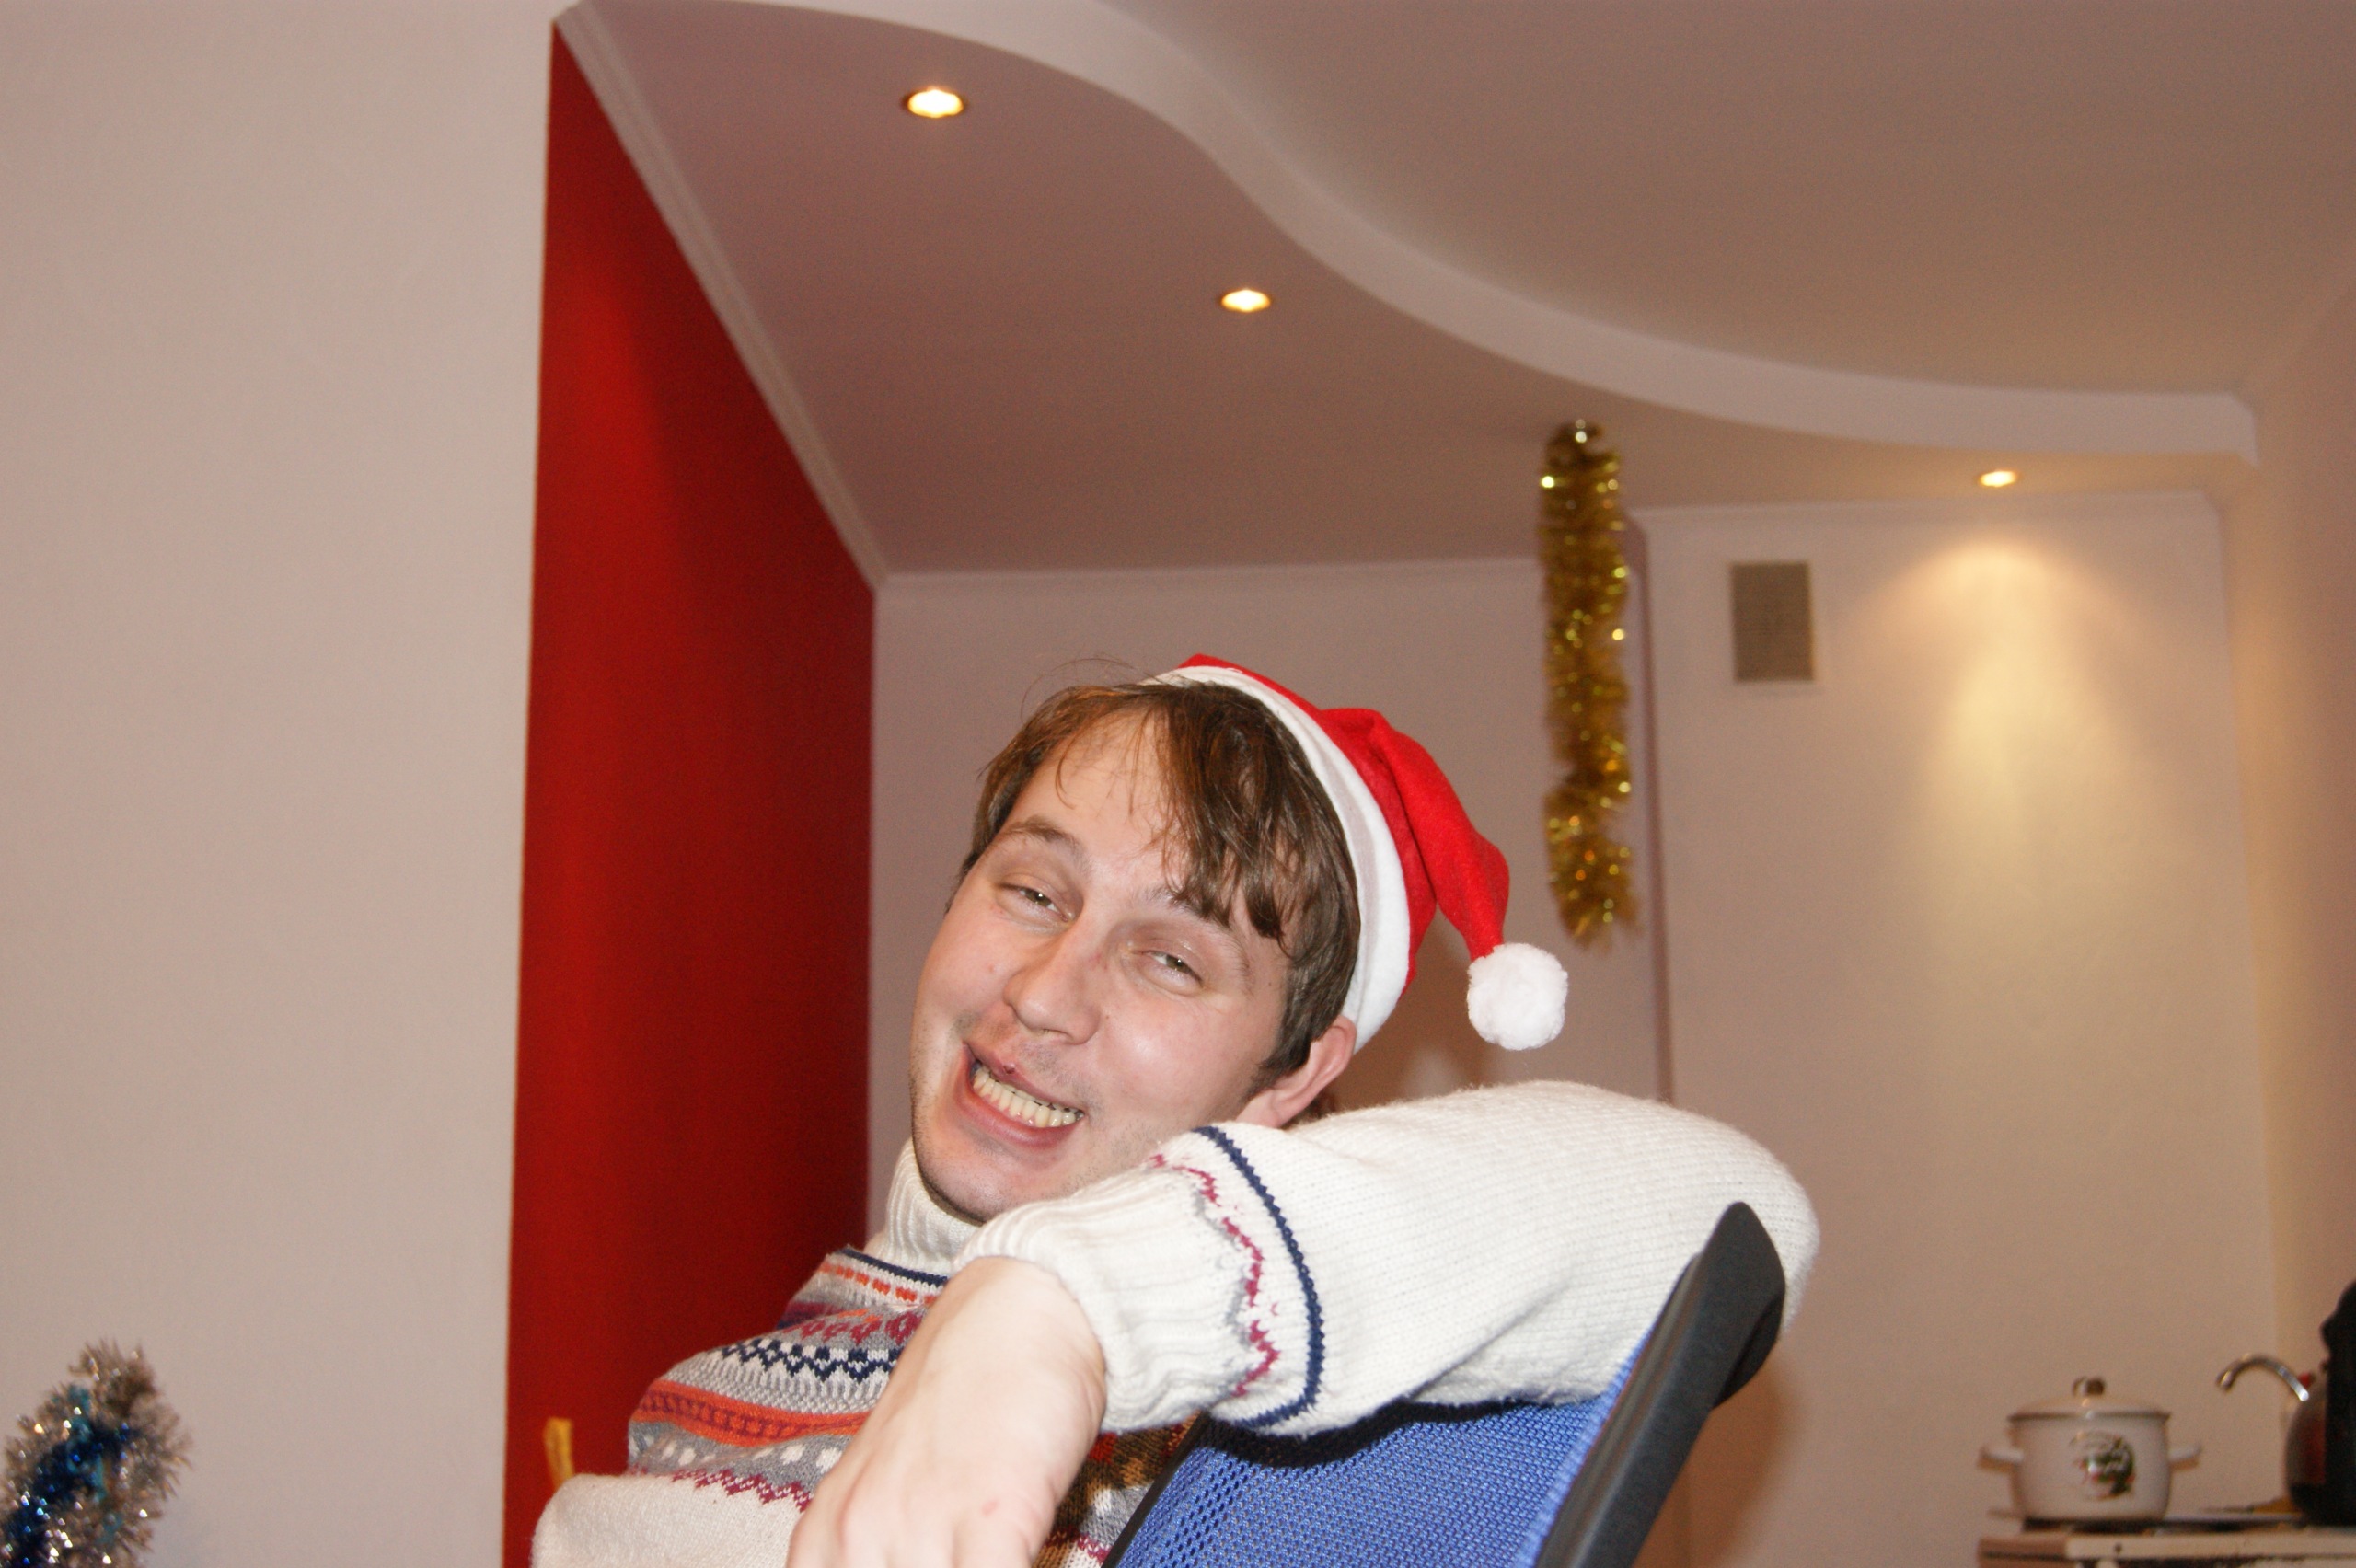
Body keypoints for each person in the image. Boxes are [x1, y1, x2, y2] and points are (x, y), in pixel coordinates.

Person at [534, 657, 1818, 1568]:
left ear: (1292, 1076)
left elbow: (1739, 1216)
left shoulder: (1316, 1430)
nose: (1043, 995)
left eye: (1170, 959)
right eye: (1033, 893)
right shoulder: (683, 1424)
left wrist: (1069, 1305)